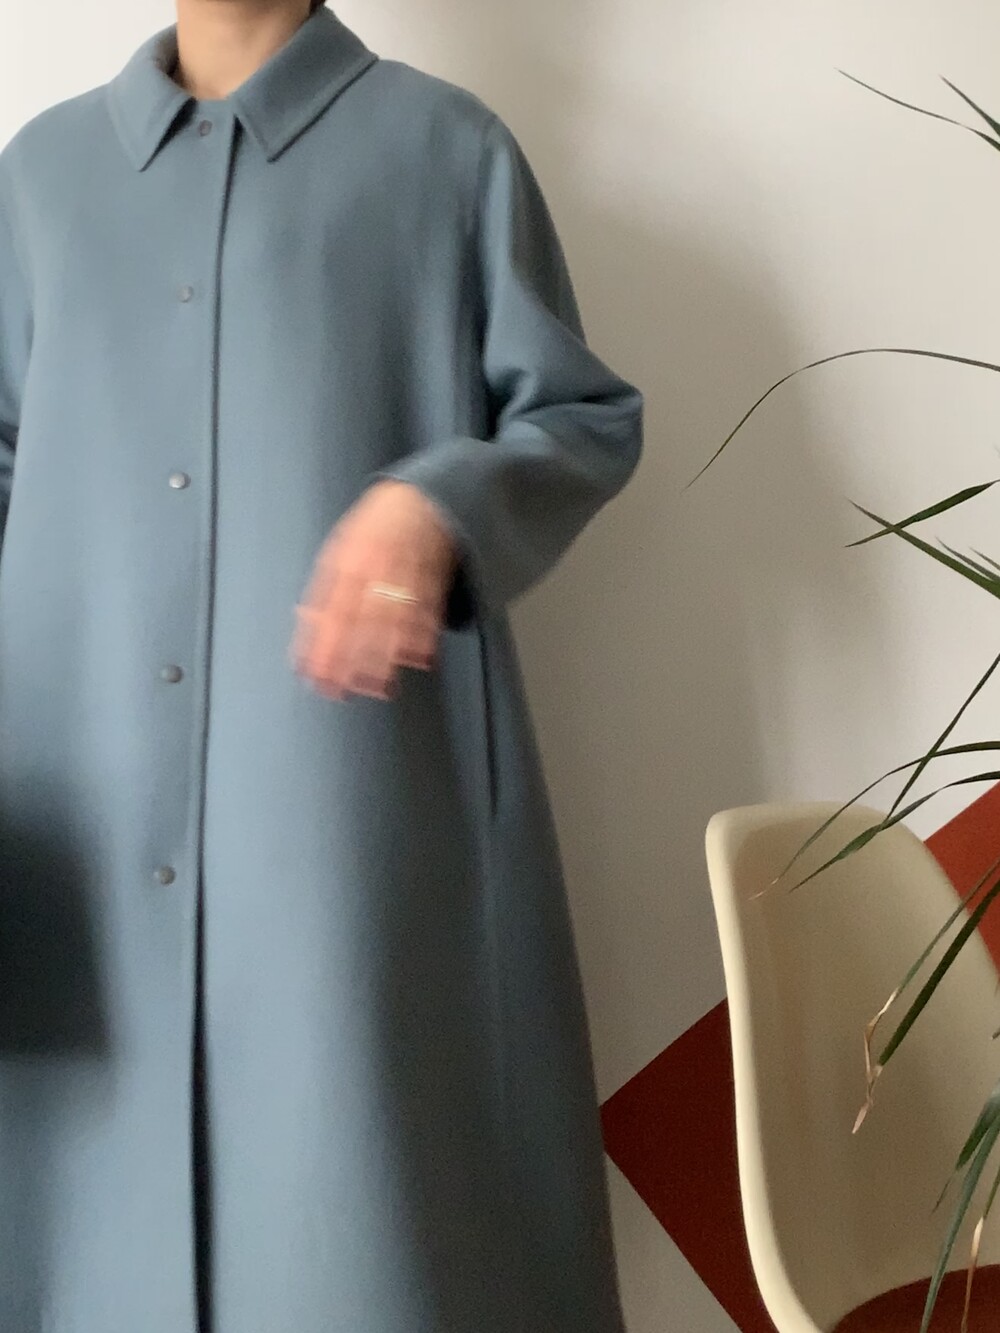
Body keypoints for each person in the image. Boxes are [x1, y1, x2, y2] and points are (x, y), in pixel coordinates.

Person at [0, 1, 644, 1330]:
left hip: (345, 810)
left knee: (366, 1220)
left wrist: (439, 504)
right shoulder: (41, 179)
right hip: (81, 815)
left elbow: (580, 417)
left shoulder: (446, 151)